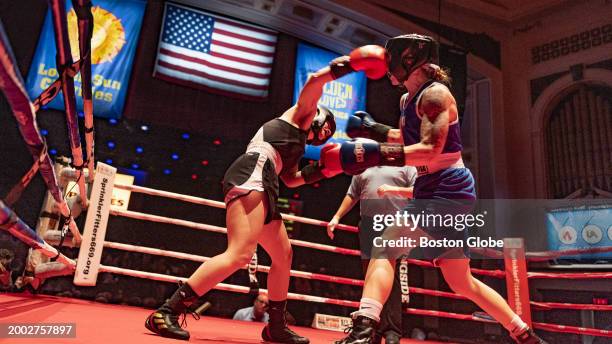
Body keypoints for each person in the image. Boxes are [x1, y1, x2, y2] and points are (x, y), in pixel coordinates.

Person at [144, 45, 388, 342]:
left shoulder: (295, 144)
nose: (320, 137)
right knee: (240, 254)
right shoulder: (301, 114)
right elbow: (314, 82)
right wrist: (350, 65)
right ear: (320, 120)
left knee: (283, 255)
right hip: (254, 171)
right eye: (323, 132)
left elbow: (290, 180)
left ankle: (274, 326)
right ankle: (166, 311)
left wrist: (324, 171)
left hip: (266, 178)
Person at [321, 34, 548, 344]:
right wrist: (375, 130)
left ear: (408, 60)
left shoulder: (435, 95)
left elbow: (428, 149)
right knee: (461, 281)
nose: (387, 69)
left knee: (385, 247)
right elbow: (406, 139)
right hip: (433, 186)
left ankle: (362, 330)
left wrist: (373, 152)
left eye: (392, 61)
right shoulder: (407, 100)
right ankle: (524, 333)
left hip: (448, 186)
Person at [327, 166, 416, 344]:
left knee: (391, 276)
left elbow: (418, 193)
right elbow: (352, 194)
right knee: (370, 275)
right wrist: (337, 216)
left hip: (395, 222)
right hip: (368, 223)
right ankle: (370, 330)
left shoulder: (407, 165)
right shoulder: (363, 164)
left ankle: (392, 331)